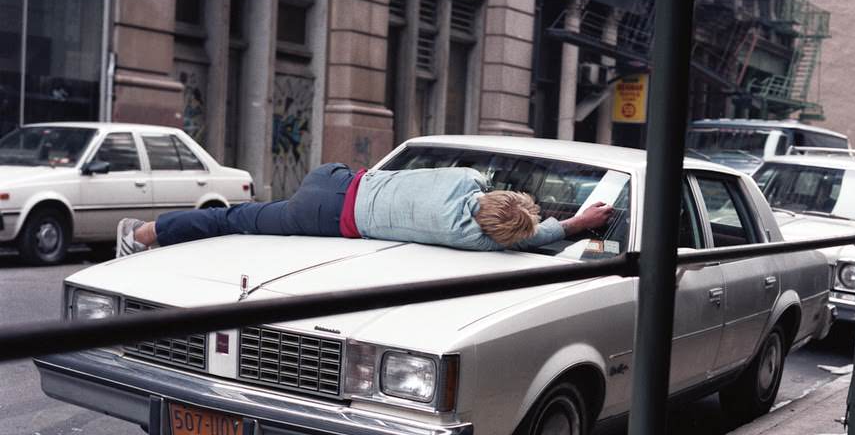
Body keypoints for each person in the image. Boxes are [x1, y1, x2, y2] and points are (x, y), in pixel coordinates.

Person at [116, 163, 614, 257]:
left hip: (336, 180)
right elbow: (539, 236)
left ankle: (145, 234)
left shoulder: (467, 179)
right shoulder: (475, 240)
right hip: (327, 222)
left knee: (233, 218)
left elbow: (487, 190)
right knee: (233, 219)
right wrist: (577, 223)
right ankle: (143, 237)